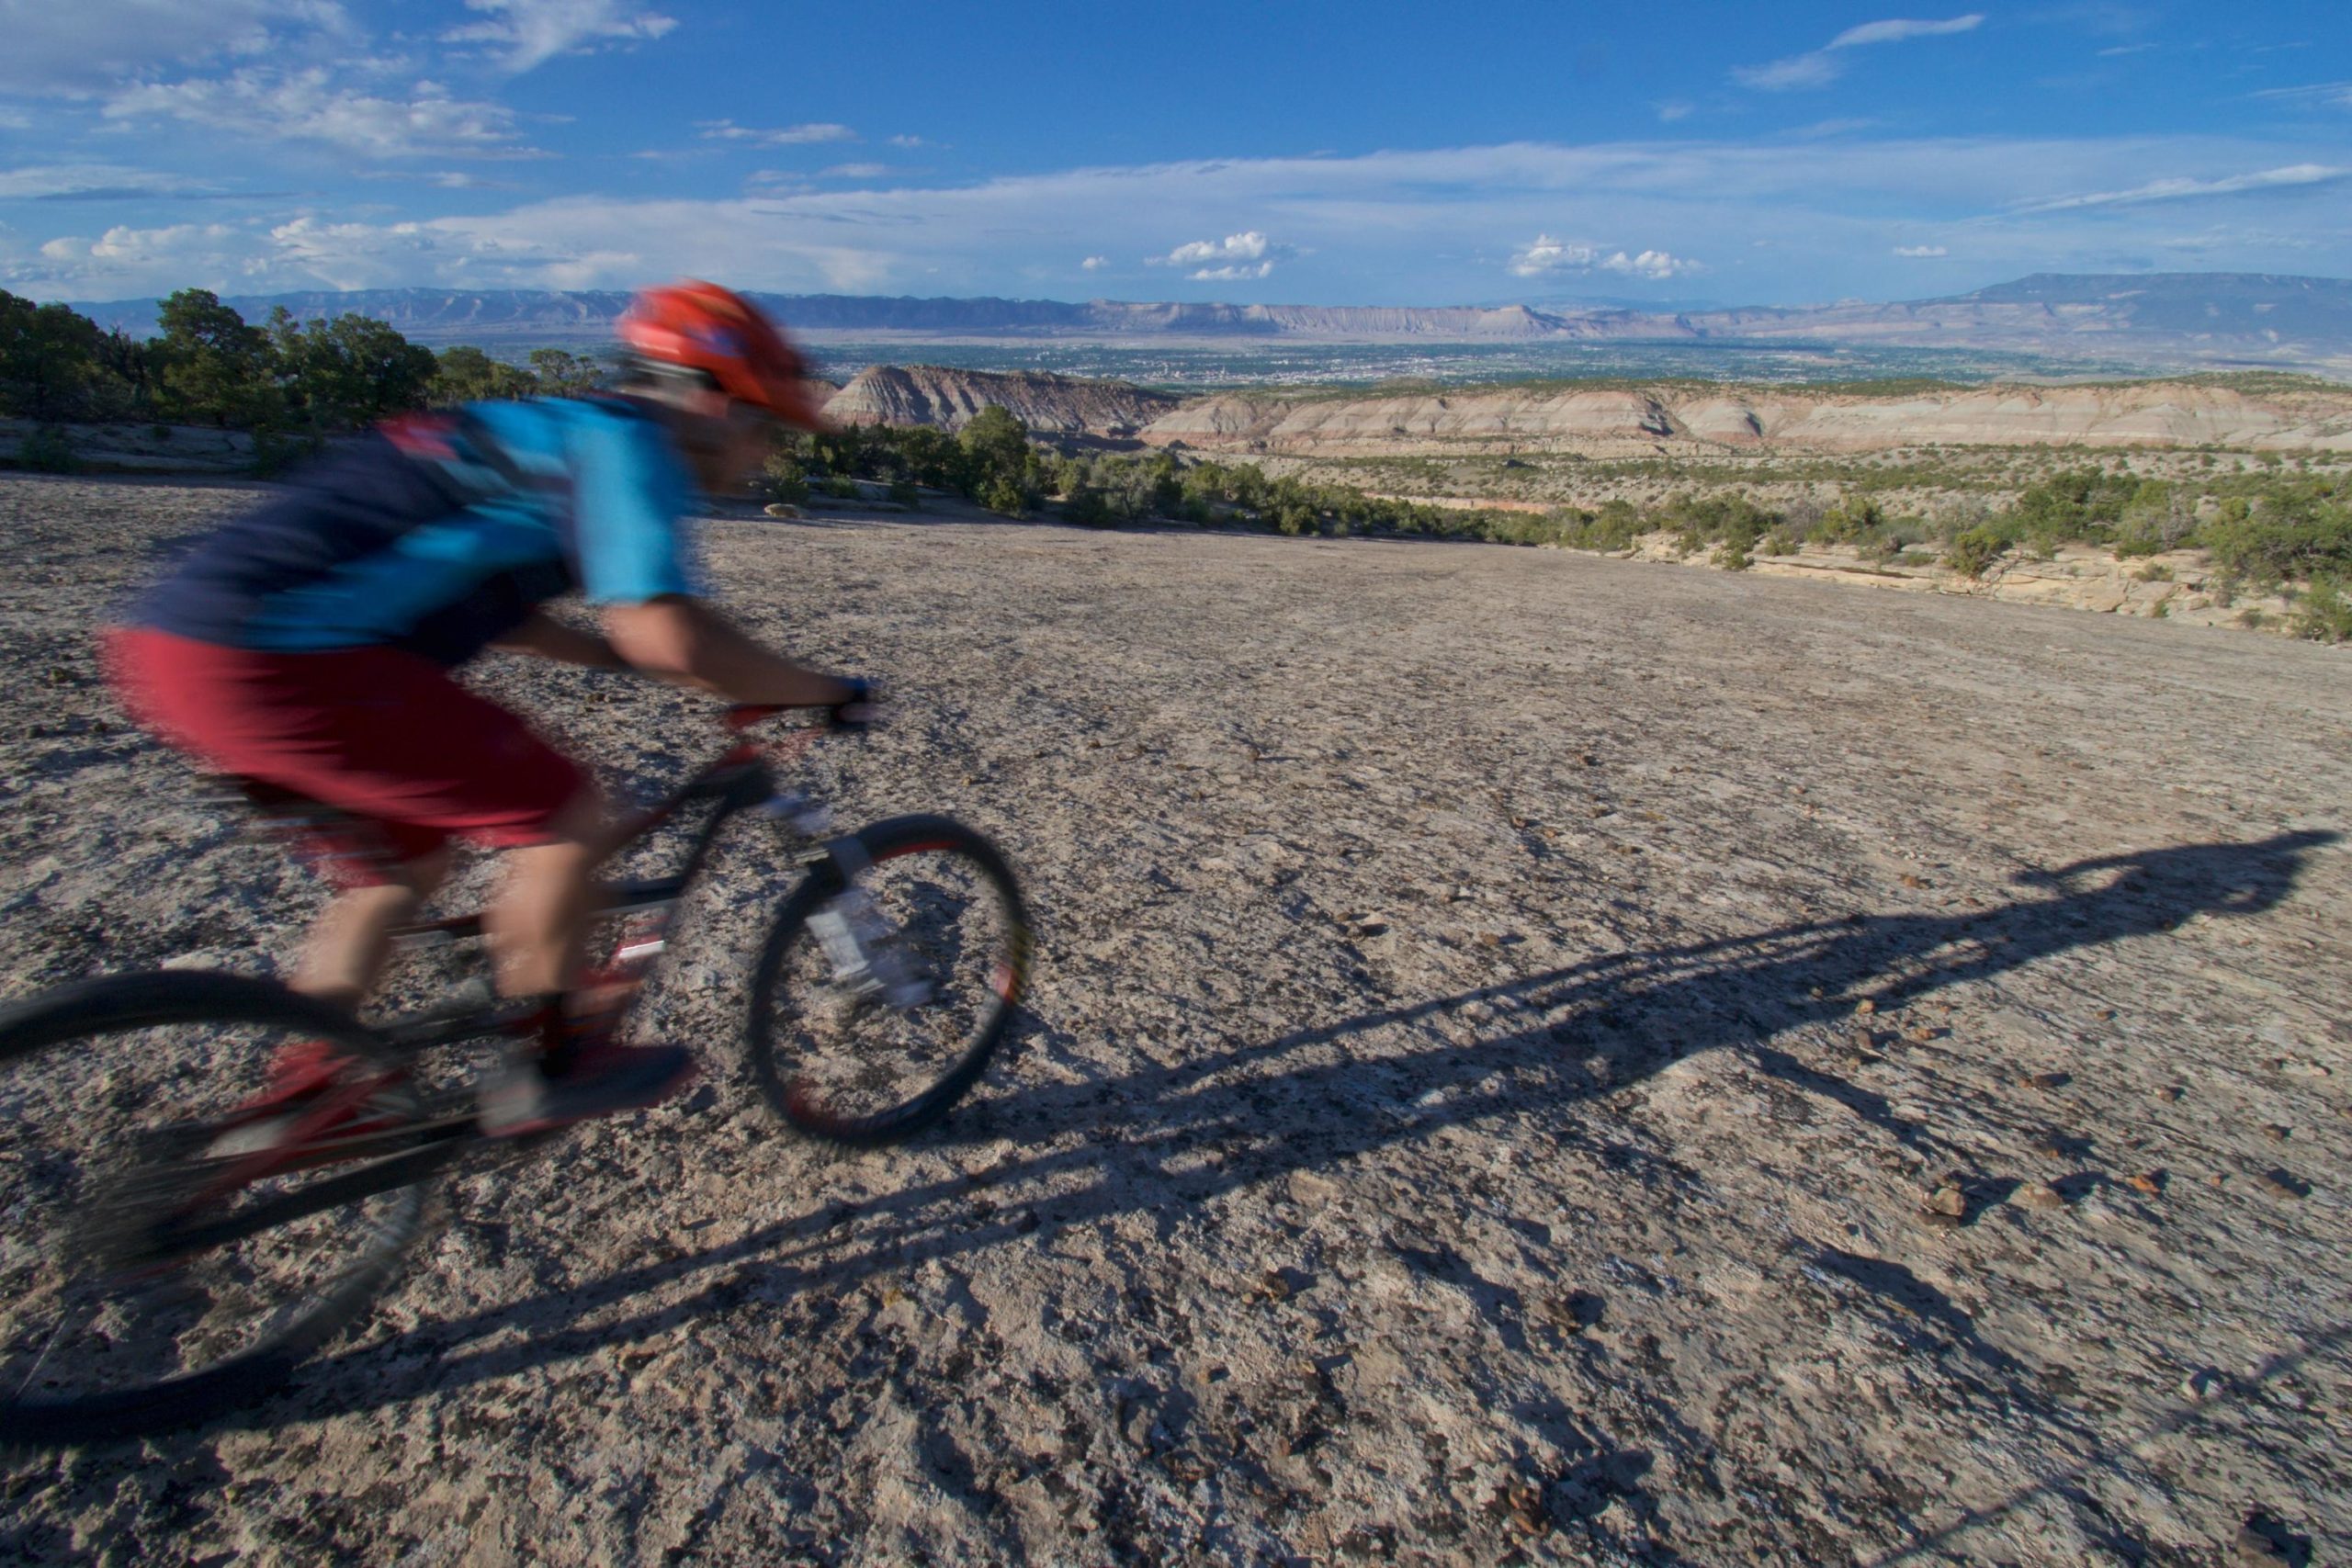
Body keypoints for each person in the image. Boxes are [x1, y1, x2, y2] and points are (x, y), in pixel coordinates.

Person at [107, 281, 866, 1135]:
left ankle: (311, 1082)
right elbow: (673, 635)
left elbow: (500, 608)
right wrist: (826, 688)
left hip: (176, 648)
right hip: (281, 659)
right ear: (711, 398)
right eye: (764, 426)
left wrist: (619, 655)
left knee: (402, 870)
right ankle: (551, 1063)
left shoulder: (539, 429)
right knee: (566, 818)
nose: (762, 454)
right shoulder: (628, 444)